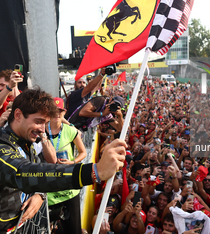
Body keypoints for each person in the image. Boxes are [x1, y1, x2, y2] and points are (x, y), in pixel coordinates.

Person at [0, 88, 126, 233]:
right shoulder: (3, 146)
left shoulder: (25, 141)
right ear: (18, 115)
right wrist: (94, 171)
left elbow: (37, 171)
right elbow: (23, 172)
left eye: (45, 123)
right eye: (38, 121)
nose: (42, 129)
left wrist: (39, 193)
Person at [42, 97, 87, 234]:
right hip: (50, 191)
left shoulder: (70, 130)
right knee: (55, 230)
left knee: (74, 230)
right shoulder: (41, 130)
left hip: (69, 189)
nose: (57, 114)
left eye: (60, 111)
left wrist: (72, 162)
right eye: (53, 111)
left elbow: (83, 152)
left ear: (64, 112)